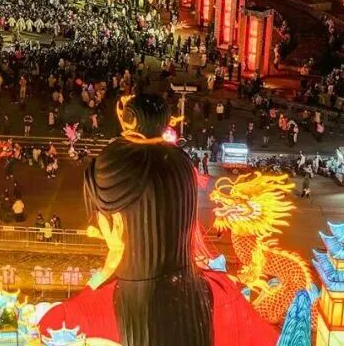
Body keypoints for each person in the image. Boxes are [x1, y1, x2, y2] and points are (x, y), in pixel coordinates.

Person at [38, 94, 276, 346]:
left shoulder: (76, 318)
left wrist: (105, 273)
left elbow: (50, 330)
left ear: (117, 223)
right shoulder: (223, 294)